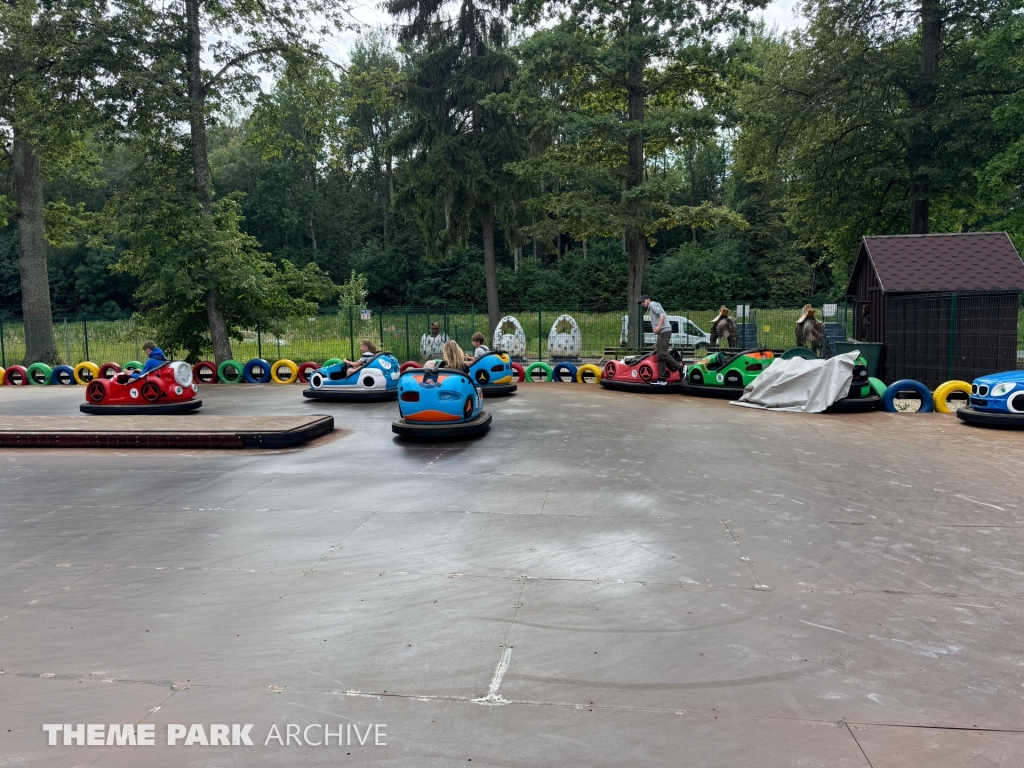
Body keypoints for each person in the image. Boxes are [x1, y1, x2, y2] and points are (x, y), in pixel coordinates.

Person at [641, 294, 681, 384]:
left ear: (648, 299)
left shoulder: (652, 305)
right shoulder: (653, 306)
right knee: (659, 356)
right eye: (641, 302)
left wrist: (659, 327)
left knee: (662, 353)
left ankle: (680, 367)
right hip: (662, 332)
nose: (642, 303)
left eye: (643, 301)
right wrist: (657, 329)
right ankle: (662, 379)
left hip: (664, 331)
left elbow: (662, 315)